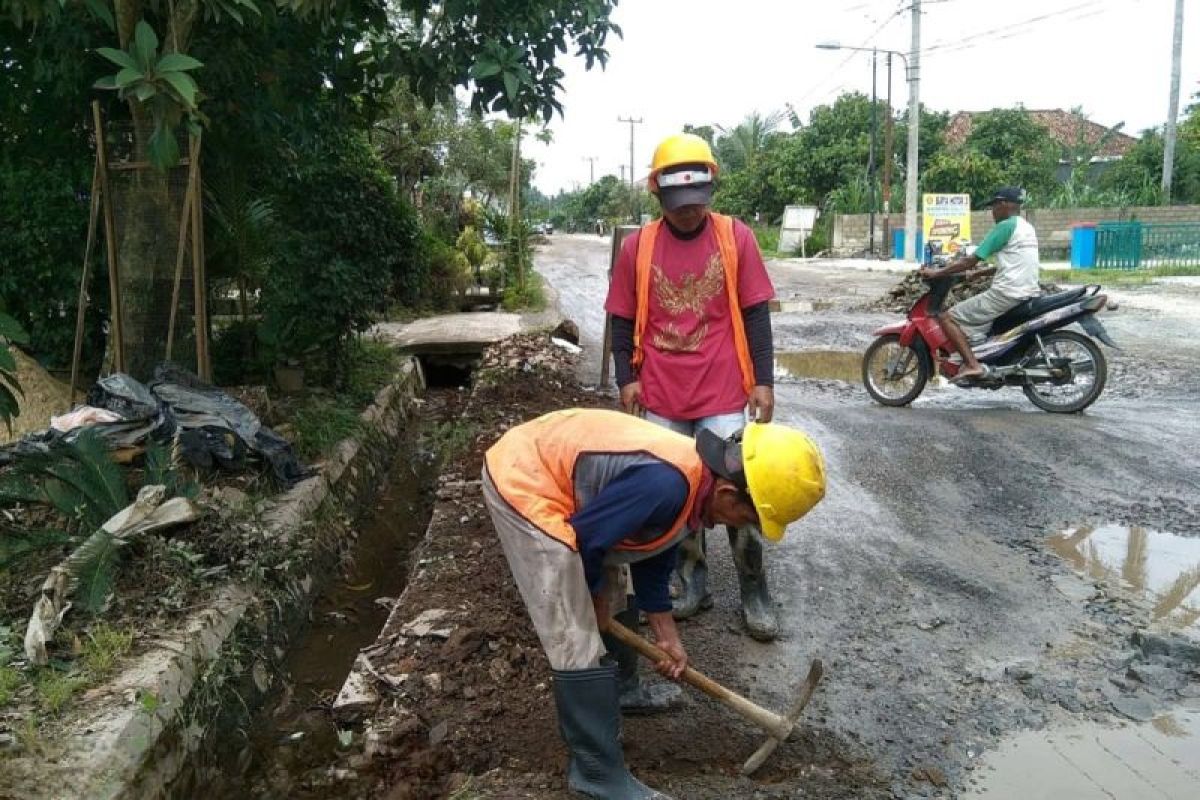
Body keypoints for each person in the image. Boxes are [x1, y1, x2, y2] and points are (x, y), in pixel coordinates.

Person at [481, 408, 825, 800]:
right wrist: (590, 599)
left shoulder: (697, 482)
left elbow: (654, 547)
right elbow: (586, 540)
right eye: (747, 517)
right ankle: (596, 774)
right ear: (729, 493)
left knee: (617, 584)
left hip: (569, 489)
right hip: (524, 479)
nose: (741, 526)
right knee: (573, 625)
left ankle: (623, 689)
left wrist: (667, 637)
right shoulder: (666, 483)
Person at [603, 132, 782, 649]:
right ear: (658, 195)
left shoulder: (735, 237)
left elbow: (754, 313)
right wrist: (627, 378)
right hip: (660, 395)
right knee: (678, 497)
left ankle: (754, 590)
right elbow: (621, 319)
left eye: (697, 204)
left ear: (710, 191)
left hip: (723, 391)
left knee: (741, 490)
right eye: (678, 206)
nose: (688, 214)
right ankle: (691, 581)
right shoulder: (639, 248)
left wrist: (763, 380)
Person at [918, 186, 1042, 381]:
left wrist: (937, 272)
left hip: (1006, 293)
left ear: (1004, 204)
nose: (992, 211)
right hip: (1026, 290)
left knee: (948, 317)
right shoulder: (1025, 227)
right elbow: (1015, 261)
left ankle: (972, 364)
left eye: (994, 206)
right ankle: (979, 351)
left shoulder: (1005, 227)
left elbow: (969, 260)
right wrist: (981, 273)